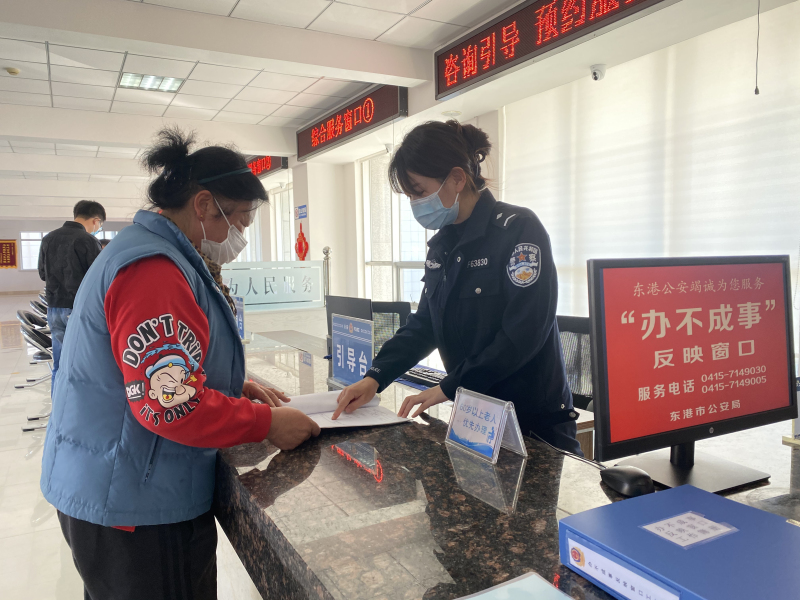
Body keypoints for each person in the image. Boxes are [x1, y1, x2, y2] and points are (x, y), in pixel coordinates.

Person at [40, 128, 321, 600]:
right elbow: (169, 403)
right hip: (133, 503)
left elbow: (161, 364)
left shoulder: (155, 254)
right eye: (242, 221)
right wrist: (266, 423)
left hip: (121, 485)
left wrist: (230, 382)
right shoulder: (153, 269)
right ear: (206, 205)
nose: (241, 237)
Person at [333, 120, 581, 454]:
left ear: (457, 178)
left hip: (533, 419)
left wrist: (451, 386)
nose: (414, 204)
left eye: (419, 192)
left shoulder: (518, 230)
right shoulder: (442, 245)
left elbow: (524, 332)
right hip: (477, 412)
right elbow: (426, 325)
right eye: (409, 196)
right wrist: (375, 376)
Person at [38, 199, 105, 386]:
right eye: (100, 224)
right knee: (81, 364)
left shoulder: (48, 238)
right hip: (78, 309)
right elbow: (97, 277)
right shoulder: (88, 240)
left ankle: (58, 410)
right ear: (95, 220)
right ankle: (77, 410)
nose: (98, 228)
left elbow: (43, 274)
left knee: (59, 363)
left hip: (53, 309)